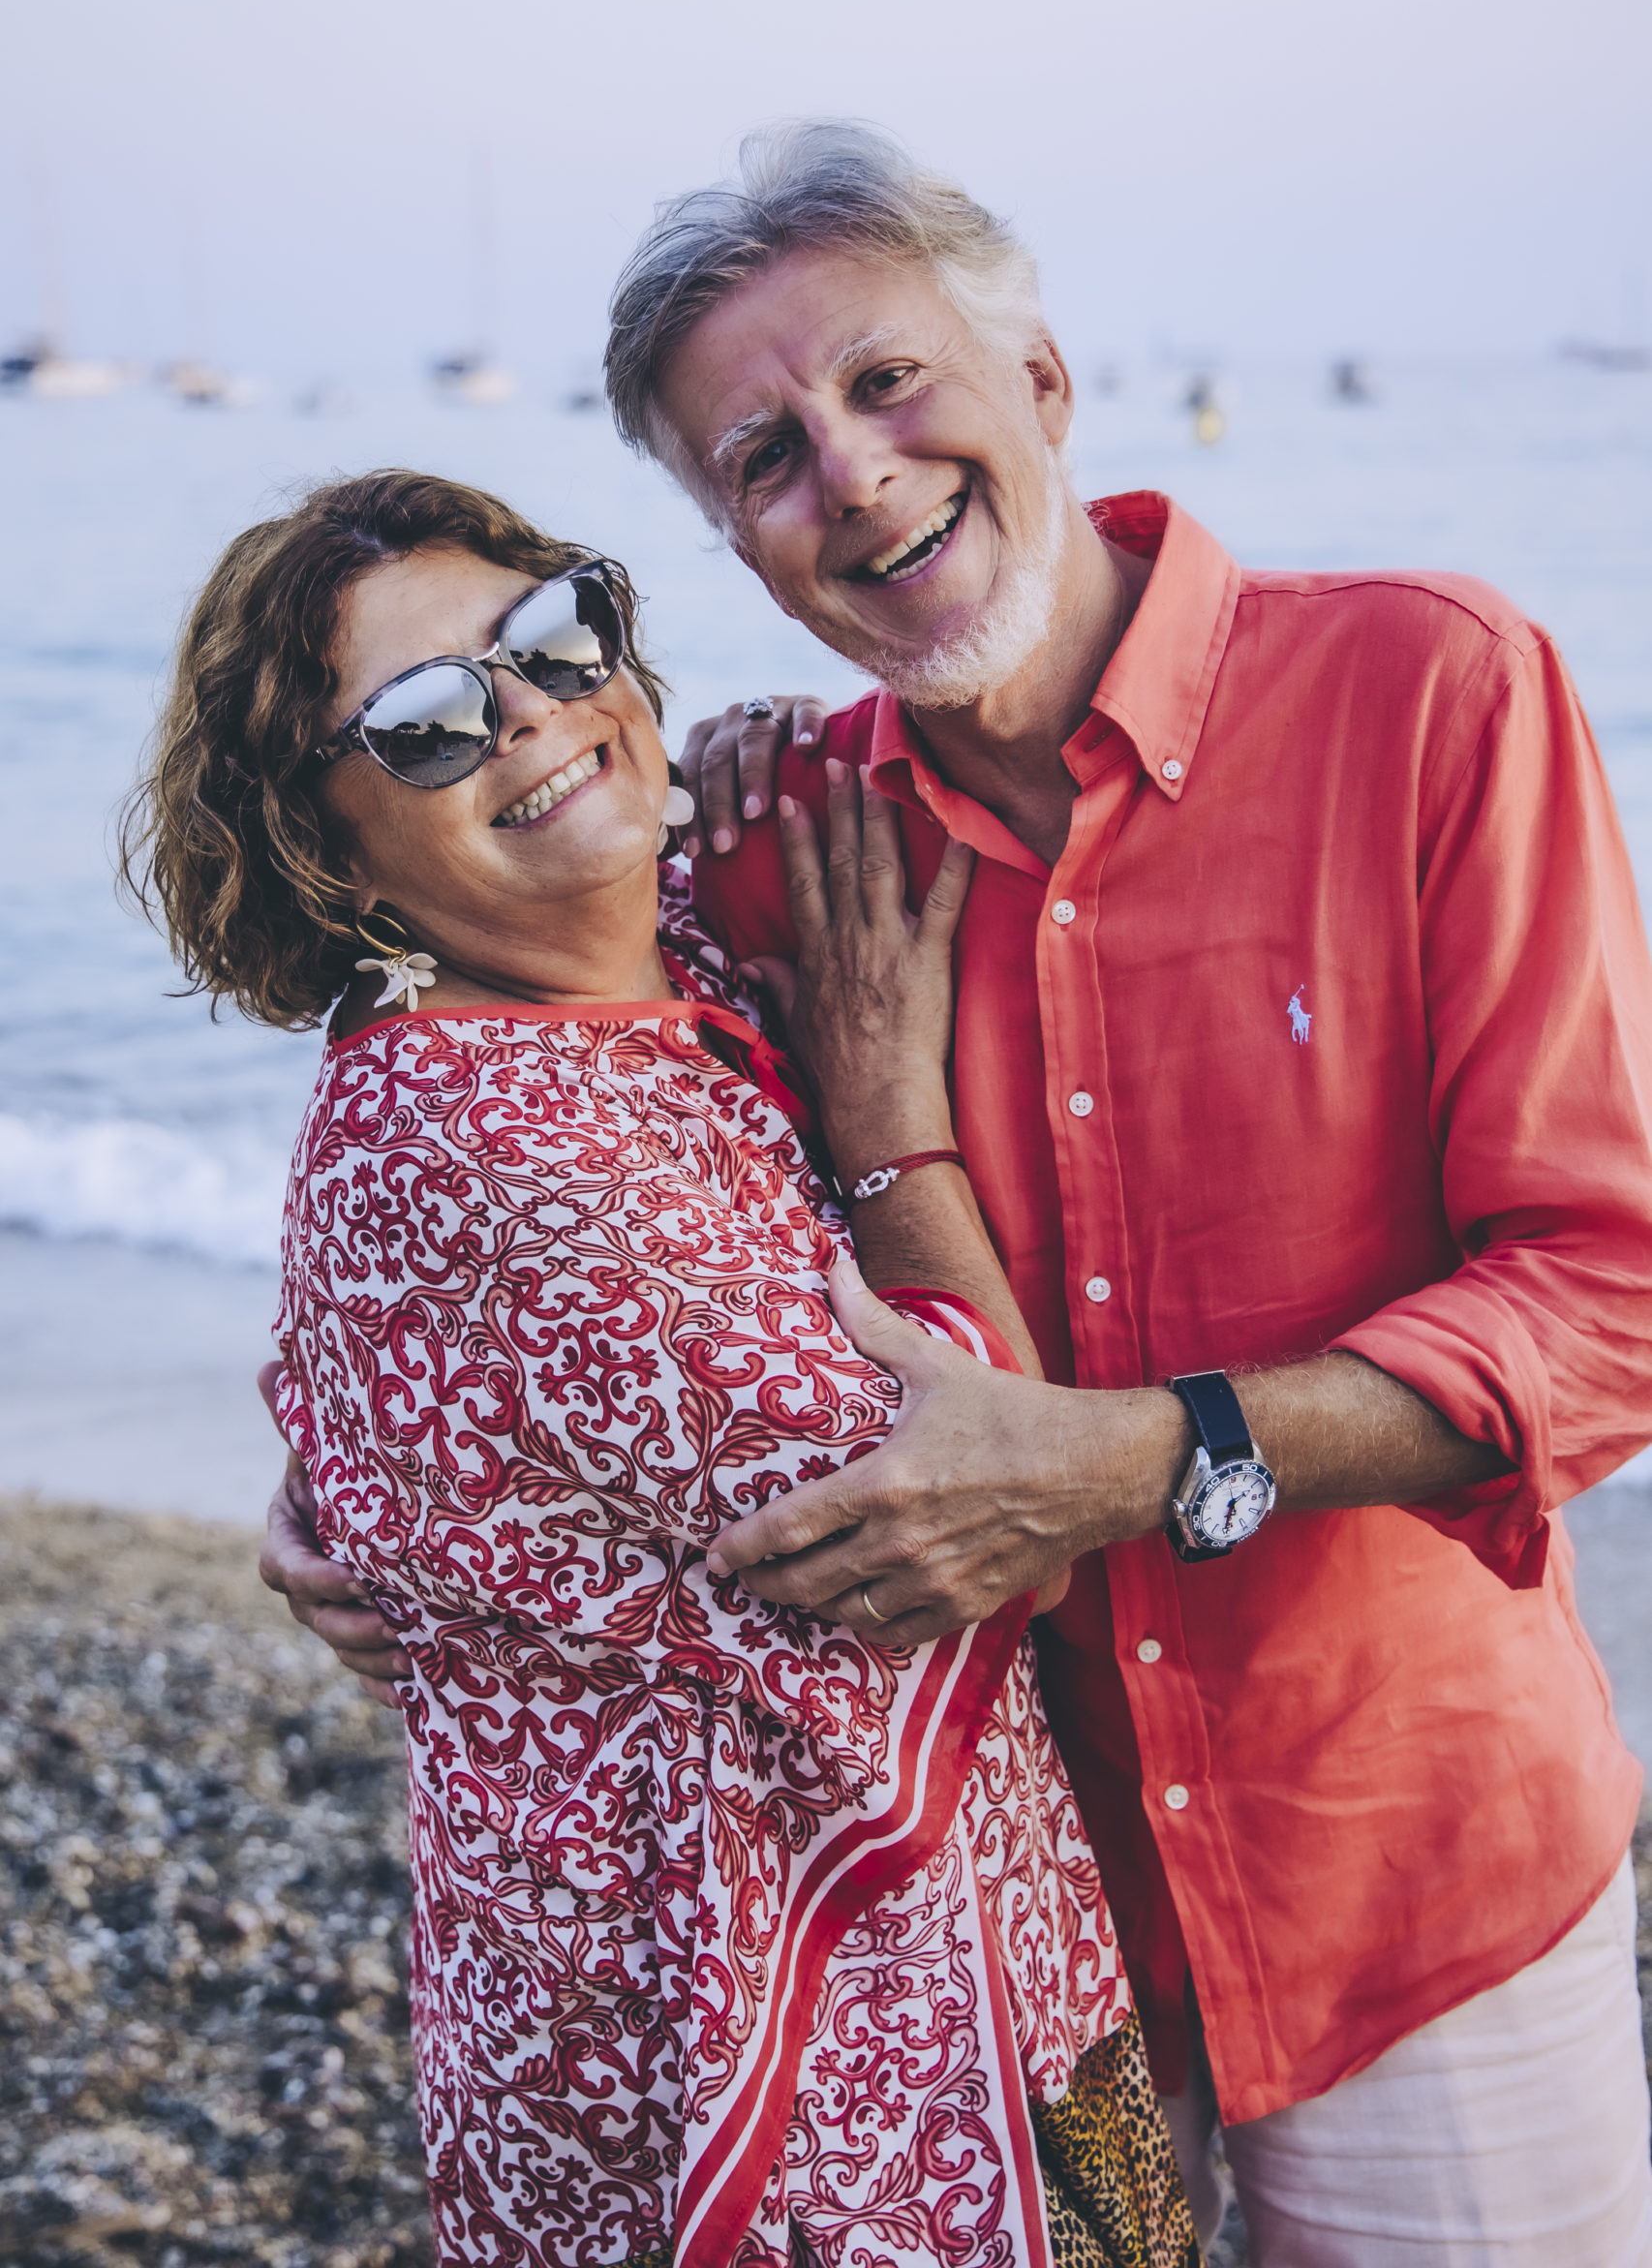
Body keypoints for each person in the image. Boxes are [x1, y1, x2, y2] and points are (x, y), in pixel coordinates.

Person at [262, 131, 1652, 2264]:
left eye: (888, 380)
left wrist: (1148, 1454)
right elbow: (539, 1162)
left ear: (1044, 380)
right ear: (737, 546)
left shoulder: (1430, 691)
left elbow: (1611, 1290)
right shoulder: (754, 846)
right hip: (1003, 1939)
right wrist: (356, 1488)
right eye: (764, 455)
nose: (854, 472)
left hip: (1412, 1882)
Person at [127, 469, 1199, 2268]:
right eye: (425, 723)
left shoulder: (642, 957)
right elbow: (987, 1508)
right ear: (324, 850)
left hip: (913, 1937)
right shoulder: (472, 1141)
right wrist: (890, 1124)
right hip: (761, 2037)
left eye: (556, 638)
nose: (529, 714)